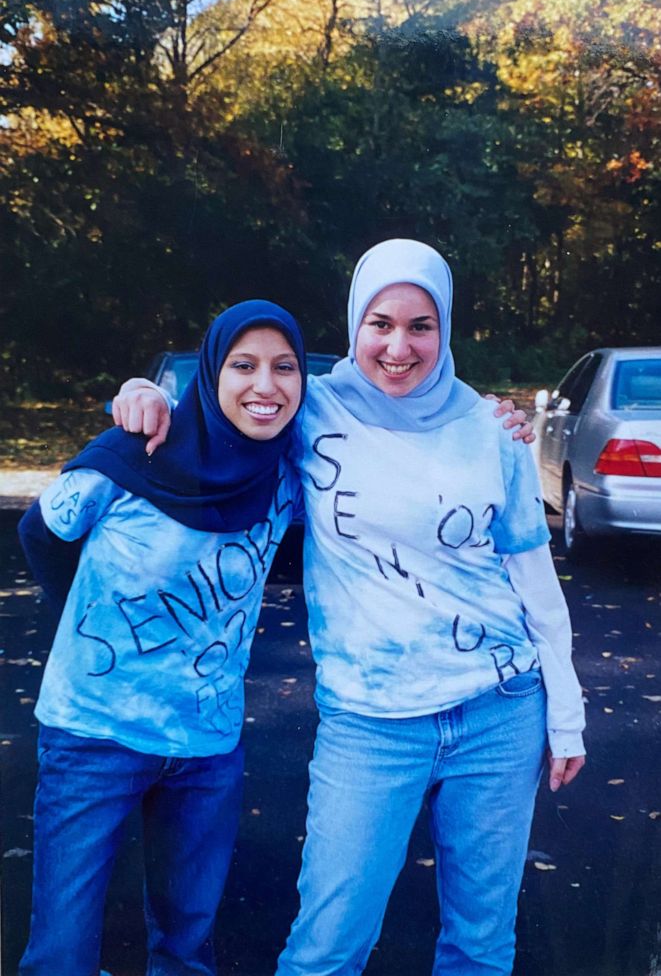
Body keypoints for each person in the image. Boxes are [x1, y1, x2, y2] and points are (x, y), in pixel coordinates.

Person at [113, 239, 586, 975]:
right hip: (369, 722)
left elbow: (533, 584)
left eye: (420, 325)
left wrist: (566, 712)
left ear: (445, 329)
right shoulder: (313, 411)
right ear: (353, 324)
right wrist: (149, 400)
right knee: (327, 946)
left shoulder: (492, 432)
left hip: (500, 713)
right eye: (380, 323)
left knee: (481, 944)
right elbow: (225, 413)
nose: (399, 346)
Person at [17, 300, 307, 976]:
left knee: (184, 948)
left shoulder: (286, 475)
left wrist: (487, 419)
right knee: (61, 951)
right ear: (211, 372)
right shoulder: (132, 451)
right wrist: (77, 632)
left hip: (206, 749)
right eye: (243, 365)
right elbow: (41, 532)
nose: (264, 385)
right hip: (93, 735)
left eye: (283, 367)